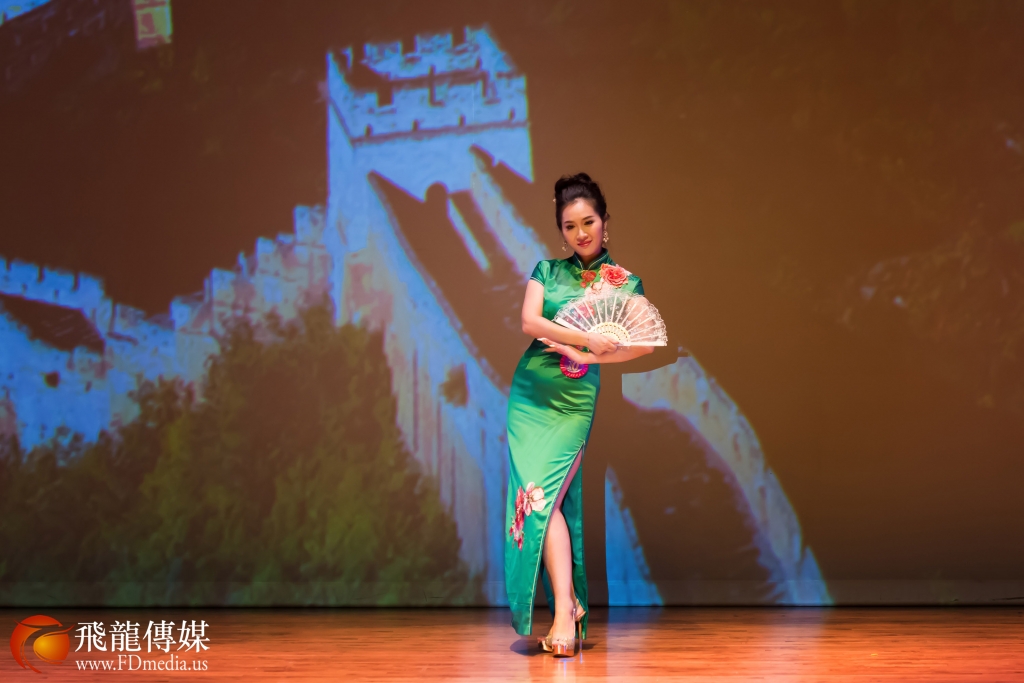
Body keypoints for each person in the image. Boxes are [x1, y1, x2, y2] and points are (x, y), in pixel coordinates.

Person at [504, 172, 654, 656]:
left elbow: (646, 343)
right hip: (530, 393)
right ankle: (565, 609)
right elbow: (529, 321)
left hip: (572, 398)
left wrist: (590, 356)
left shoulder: (624, 283)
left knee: (545, 497)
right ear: (561, 232)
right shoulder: (546, 271)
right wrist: (585, 337)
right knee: (539, 502)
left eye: (588, 222)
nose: (581, 233)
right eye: (570, 226)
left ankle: (565, 610)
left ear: (605, 221)